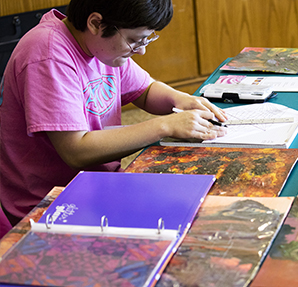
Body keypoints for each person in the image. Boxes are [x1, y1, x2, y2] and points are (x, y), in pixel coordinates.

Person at [0, 0, 227, 228]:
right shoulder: (48, 54)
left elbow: (144, 90)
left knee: (202, 200)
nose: (141, 50)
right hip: (51, 204)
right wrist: (165, 126)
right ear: (96, 23)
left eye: (146, 39)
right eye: (133, 40)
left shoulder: (99, 47)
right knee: (187, 222)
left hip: (99, 184)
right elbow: (76, 150)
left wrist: (180, 99)